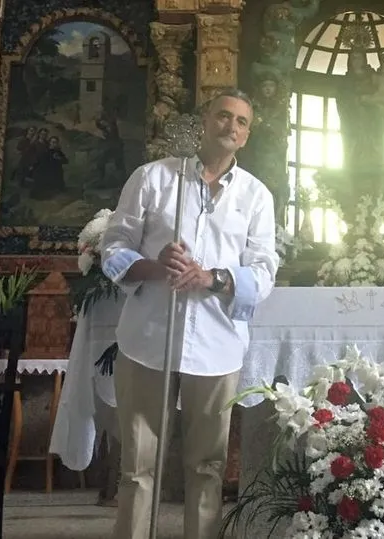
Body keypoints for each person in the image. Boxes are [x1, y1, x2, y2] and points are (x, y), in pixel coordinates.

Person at [100, 88, 278, 539]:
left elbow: (264, 271)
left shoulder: (256, 196)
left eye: (241, 121)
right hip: (149, 337)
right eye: (223, 116)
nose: (230, 126)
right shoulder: (153, 179)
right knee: (137, 466)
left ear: (247, 135)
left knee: (207, 466)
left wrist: (213, 279)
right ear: (205, 121)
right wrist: (158, 267)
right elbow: (113, 247)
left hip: (218, 345)